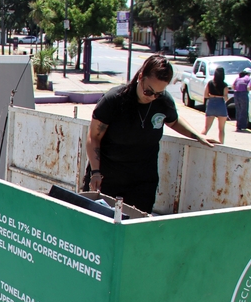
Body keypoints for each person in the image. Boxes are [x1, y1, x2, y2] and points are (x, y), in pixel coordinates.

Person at [85, 54, 216, 214]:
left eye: (158, 93)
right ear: (141, 76)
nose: (153, 97)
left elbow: (173, 121)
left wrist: (197, 135)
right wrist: (95, 172)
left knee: (137, 224)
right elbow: (94, 137)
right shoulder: (114, 100)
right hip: (108, 178)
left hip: (142, 181)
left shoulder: (163, 101)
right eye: (148, 91)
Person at [203, 67, 230, 143]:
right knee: (221, 129)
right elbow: (226, 98)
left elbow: (205, 95)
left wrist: (211, 96)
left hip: (211, 103)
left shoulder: (210, 83)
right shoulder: (224, 85)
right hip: (220, 104)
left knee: (206, 128)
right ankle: (221, 144)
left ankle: (199, 140)